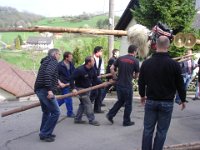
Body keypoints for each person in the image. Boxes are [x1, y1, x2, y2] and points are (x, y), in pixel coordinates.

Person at [138, 36, 186, 150]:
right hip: (167, 103)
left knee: (148, 130)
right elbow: (180, 84)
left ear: (155, 45)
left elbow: (141, 82)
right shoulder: (174, 64)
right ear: (168, 46)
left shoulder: (146, 63)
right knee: (162, 132)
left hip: (151, 101)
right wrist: (183, 99)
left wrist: (142, 95)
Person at [106, 45, 139, 126]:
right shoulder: (135, 60)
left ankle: (110, 115)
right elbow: (137, 75)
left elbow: (111, 68)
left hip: (119, 84)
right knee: (128, 104)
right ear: (134, 51)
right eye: (136, 51)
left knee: (121, 101)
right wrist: (134, 77)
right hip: (127, 85)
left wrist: (115, 77)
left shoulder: (120, 58)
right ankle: (126, 121)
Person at [34, 48, 61, 142]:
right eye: (59, 54)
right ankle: (45, 133)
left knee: (46, 112)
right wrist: (49, 90)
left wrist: (58, 82)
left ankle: (44, 132)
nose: (59, 56)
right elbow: (47, 74)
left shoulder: (46, 61)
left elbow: (49, 74)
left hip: (40, 89)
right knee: (56, 112)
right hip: (45, 90)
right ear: (54, 54)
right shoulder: (53, 61)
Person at [70, 56, 102, 126]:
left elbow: (95, 79)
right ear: (89, 62)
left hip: (88, 89)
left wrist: (102, 84)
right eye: (93, 61)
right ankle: (92, 120)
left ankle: (77, 119)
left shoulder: (92, 69)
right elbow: (71, 79)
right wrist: (73, 88)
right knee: (88, 103)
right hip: (80, 89)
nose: (94, 62)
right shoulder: (79, 70)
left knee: (83, 104)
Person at [57, 51, 75, 117]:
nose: (72, 58)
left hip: (70, 83)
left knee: (63, 98)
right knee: (68, 98)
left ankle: (52, 107)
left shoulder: (71, 64)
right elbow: (55, 75)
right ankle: (70, 113)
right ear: (66, 57)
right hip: (63, 84)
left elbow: (74, 73)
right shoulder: (59, 65)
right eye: (70, 57)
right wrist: (60, 83)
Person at [90, 46, 105, 113]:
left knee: (99, 93)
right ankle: (85, 107)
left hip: (97, 78)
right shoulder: (91, 58)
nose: (102, 52)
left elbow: (100, 69)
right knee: (94, 93)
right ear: (97, 51)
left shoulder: (100, 59)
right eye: (101, 51)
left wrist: (101, 75)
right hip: (92, 79)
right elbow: (85, 67)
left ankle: (97, 109)